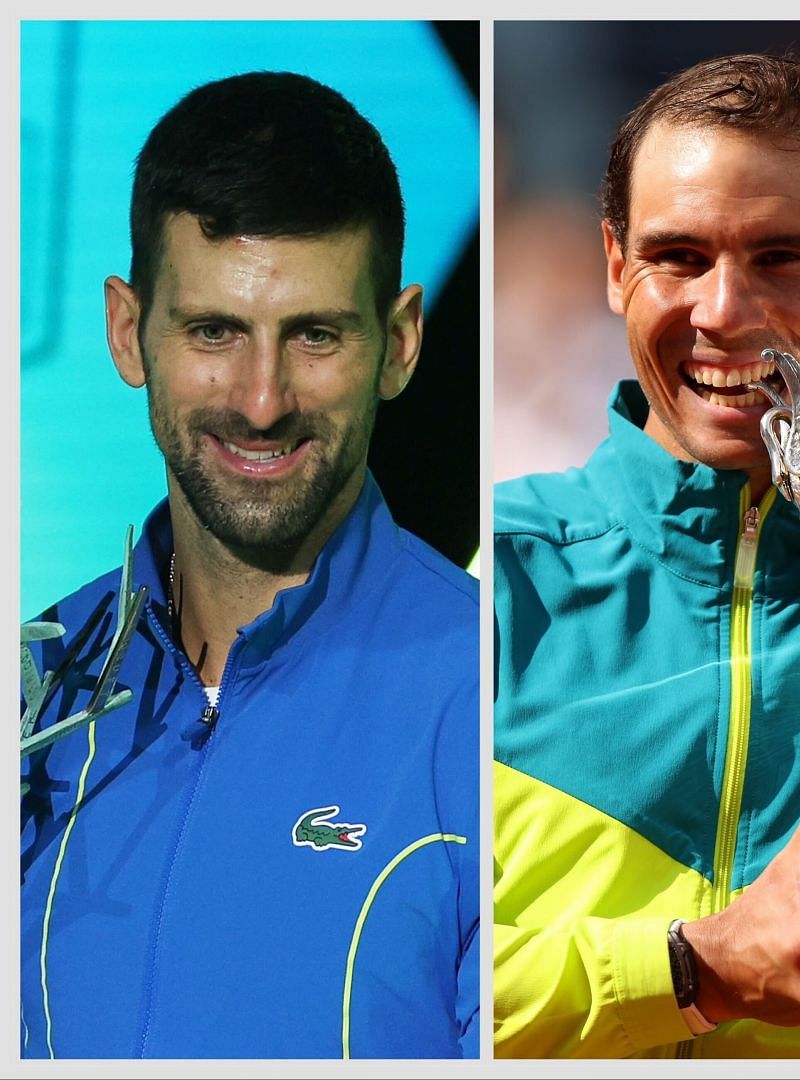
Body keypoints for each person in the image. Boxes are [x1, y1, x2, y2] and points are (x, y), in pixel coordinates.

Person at [491, 53, 800, 1059]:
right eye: (679, 258)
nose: (724, 312)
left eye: (783, 258)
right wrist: (699, 969)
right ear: (615, 267)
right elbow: (391, 972)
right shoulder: (487, 584)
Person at [18, 72, 479, 1059]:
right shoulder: (26, 698)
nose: (262, 401)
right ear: (126, 330)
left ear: (400, 345)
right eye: (214, 332)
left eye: (315, 336)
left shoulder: (492, 697)